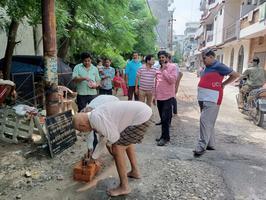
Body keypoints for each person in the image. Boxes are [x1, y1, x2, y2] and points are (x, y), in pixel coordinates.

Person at [73, 101, 152, 197]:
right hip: (143, 113)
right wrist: (93, 158)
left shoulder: (96, 119)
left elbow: (114, 138)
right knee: (126, 141)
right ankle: (135, 171)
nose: (83, 132)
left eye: (82, 131)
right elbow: (103, 139)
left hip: (141, 117)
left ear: (82, 125)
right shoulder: (94, 116)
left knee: (117, 147)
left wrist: (111, 148)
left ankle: (124, 187)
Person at [194, 49, 239, 157]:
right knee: (209, 122)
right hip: (203, 97)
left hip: (212, 98)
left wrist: (223, 84)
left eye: (204, 58)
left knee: (204, 120)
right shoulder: (207, 67)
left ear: (211, 57)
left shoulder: (219, 66)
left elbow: (236, 74)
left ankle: (201, 146)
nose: (203, 60)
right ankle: (211, 144)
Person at [154, 51, 177, 146]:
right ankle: (164, 136)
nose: (161, 59)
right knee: (162, 119)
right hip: (159, 97)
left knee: (165, 118)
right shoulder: (158, 68)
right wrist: (154, 95)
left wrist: (164, 70)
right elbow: (156, 83)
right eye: (160, 57)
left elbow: (172, 80)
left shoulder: (172, 67)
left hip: (168, 97)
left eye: (163, 57)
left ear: (167, 58)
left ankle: (165, 138)